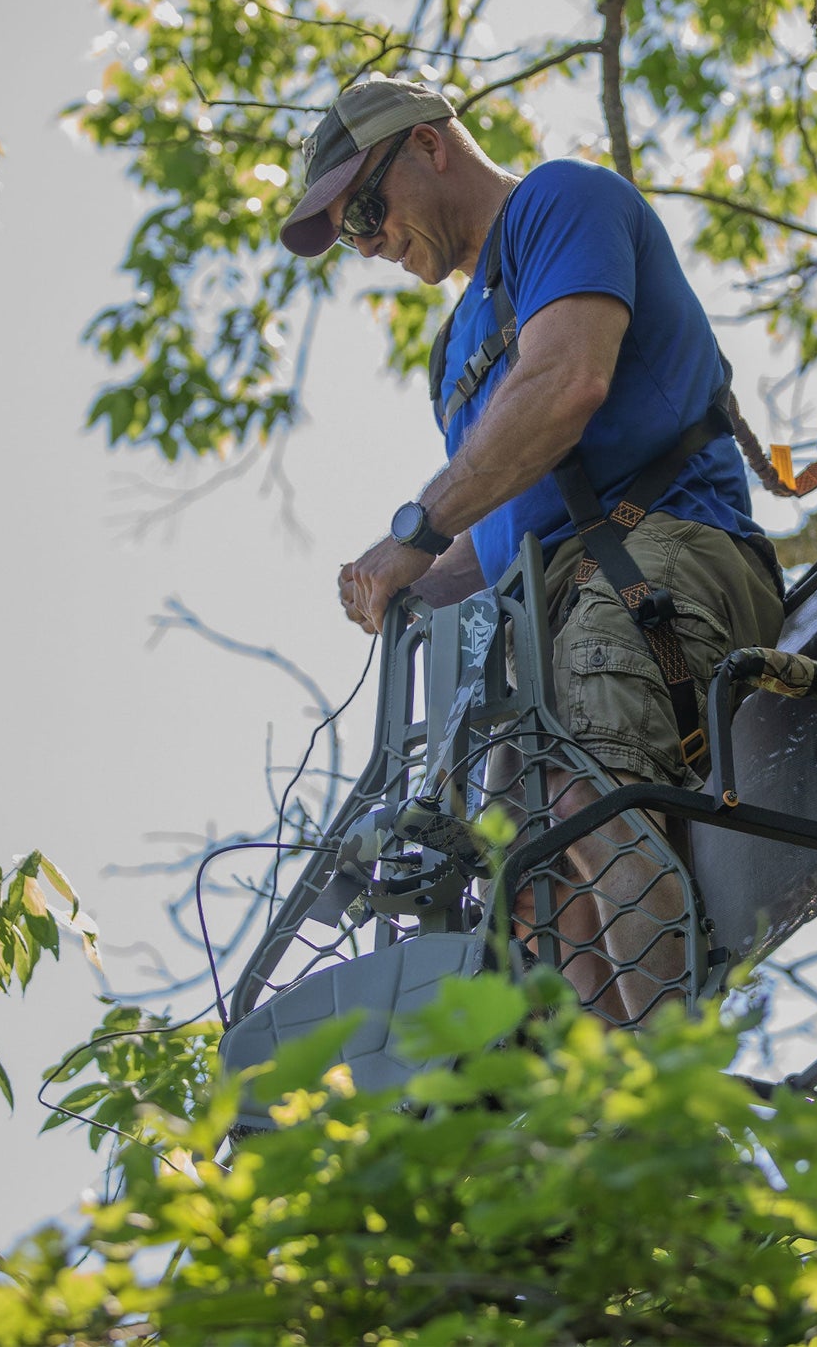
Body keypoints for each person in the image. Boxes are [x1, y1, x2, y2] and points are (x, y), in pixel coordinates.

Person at [279, 75, 784, 1021]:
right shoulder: (456, 345)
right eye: (351, 232)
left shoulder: (561, 201)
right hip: (549, 613)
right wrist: (417, 581)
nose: (370, 240)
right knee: (530, 877)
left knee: (581, 795)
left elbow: (565, 384)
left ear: (429, 145)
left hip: (660, 562)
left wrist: (412, 533)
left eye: (369, 208)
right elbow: (502, 532)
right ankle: (602, 1133)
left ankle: (671, 1090)